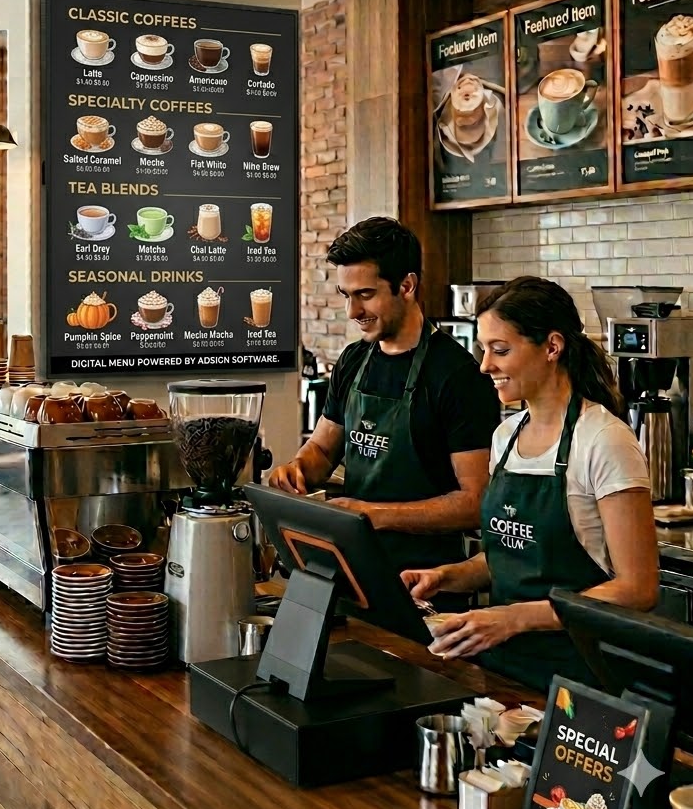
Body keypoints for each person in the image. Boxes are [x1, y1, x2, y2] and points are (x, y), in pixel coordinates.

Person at [401, 277, 659, 691]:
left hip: (581, 675)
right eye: (484, 349)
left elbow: (638, 588)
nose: (485, 365)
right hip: (504, 667)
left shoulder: (603, 440)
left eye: (500, 350)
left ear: (552, 347)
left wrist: (516, 617)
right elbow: (513, 556)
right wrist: (448, 576)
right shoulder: (505, 437)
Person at [269, 217, 500, 591]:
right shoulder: (354, 361)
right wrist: (297, 469)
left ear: (406, 285)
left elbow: (476, 501)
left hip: (423, 584)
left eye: (365, 294)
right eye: (347, 296)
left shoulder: (457, 376)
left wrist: (374, 514)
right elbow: (324, 448)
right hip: (349, 571)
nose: (352, 312)